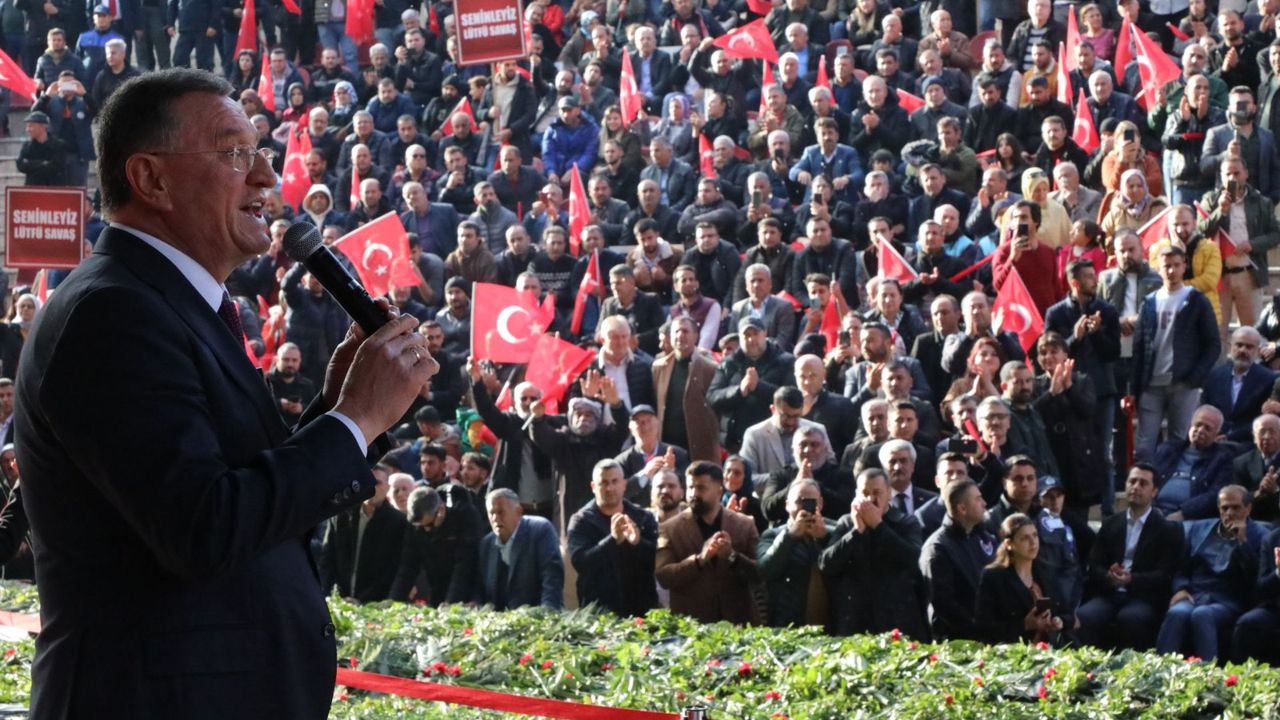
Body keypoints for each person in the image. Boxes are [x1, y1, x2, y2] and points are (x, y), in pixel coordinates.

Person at [15, 70, 439, 719]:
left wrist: (340, 407)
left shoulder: (175, 305)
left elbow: (244, 495)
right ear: (151, 178)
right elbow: (204, 529)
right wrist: (353, 420)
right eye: (234, 153)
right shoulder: (112, 314)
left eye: (260, 152)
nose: (266, 177)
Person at [1076, 463, 1185, 650]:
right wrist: (1108, 575)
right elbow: (1094, 563)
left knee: (1130, 618)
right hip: (1110, 593)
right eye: (1132, 481)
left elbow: (1165, 573)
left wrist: (1131, 579)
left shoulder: (1167, 529)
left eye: (1143, 483)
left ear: (1154, 492)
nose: (1136, 487)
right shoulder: (1111, 523)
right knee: (1085, 615)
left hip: (1143, 597)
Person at [1156, 485, 1266, 662]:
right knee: (1177, 612)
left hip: (1228, 599)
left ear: (1248, 509)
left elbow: (1256, 578)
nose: (1229, 513)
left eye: (1236, 508)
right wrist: (1180, 588)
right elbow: (1181, 567)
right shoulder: (1199, 529)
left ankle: (1208, 673)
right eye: (1225, 508)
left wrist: (1243, 542)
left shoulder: (1260, 535)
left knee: (1202, 614)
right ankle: (1159, 670)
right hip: (1195, 594)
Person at [1133, 246, 1222, 461]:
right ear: (1158, 268)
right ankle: (1144, 479)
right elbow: (1139, 346)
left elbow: (1213, 344)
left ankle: (1174, 480)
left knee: (1179, 441)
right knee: (1144, 444)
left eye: (1176, 265)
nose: (1171, 271)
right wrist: (1134, 387)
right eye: (1166, 266)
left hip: (1183, 383)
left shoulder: (1196, 300)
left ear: (1184, 266)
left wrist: (1195, 378)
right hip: (1151, 383)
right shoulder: (1149, 301)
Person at [654, 461, 762, 624]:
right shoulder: (669, 529)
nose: (693, 494)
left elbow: (760, 573)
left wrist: (732, 556)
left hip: (738, 622)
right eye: (691, 487)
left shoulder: (744, 524)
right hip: (692, 625)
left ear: (719, 491)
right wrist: (699, 560)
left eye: (701, 488)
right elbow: (664, 576)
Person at [566, 459, 659, 616]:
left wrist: (638, 542)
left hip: (642, 610)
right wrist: (612, 540)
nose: (610, 488)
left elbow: (657, 559)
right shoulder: (581, 521)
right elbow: (580, 562)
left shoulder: (643, 517)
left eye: (615, 481)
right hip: (599, 613)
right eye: (604, 483)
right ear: (593, 487)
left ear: (624, 484)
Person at [975, 513, 1069, 645]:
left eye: (1035, 535)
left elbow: (1066, 611)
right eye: (1025, 538)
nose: (1033, 543)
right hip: (1013, 650)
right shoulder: (994, 576)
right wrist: (1024, 625)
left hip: (1051, 648)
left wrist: (1059, 621)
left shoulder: (1046, 571)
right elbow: (984, 628)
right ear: (1009, 544)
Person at [757, 478, 838, 629]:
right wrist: (790, 537)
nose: (805, 507)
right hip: (788, 625)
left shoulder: (836, 532)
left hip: (831, 625)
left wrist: (825, 538)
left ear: (820, 503)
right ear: (787, 505)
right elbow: (765, 570)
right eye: (799, 502)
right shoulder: (772, 535)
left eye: (811, 502)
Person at [919, 479, 995, 640]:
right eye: (978, 499)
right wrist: (980, 629)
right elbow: (944, 604)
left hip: (986, 636)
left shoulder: (980, 537)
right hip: (957, 643)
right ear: (962, 508)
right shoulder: (937, 548)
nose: (984, 503)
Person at [318, 466, 405, 602]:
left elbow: (394, 568)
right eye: (367, 481)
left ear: (387, 488)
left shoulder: (398, 522)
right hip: (339, 599)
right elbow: (327, 560)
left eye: (377, 483)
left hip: (376, 604)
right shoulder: (341, 515)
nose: (372, 487)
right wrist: (327, 595)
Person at [473, 489, 565, 610]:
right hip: (497, 618)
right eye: (491, 513)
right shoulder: (487, 544)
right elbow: (480, 589)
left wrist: (547, 612)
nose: (495, 518)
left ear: (518, 511)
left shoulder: (540, 530)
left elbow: (552, 578)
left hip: (535, 615)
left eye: (501, 512)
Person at [652, 317, 721, 463]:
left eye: (685, 331)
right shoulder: (659, 368)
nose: (680, 335)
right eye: (676, 331)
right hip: (667, 446)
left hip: (699, 446)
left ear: (695, 336)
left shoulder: (710, 369)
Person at [1202, 327, 1280, 443]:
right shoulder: (1214, 375)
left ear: (1258, 351)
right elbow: (1205, 410)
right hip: (1213, 440)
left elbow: (1265, 418)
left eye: (1249, 347)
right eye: (1239, 345)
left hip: (1248, 443)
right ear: (1230, 347)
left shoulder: (1269, 379)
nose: (1243, 350)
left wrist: (1230, 437)